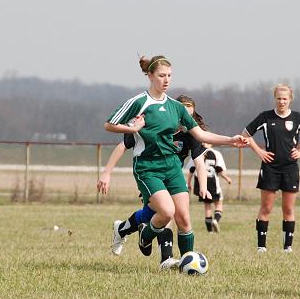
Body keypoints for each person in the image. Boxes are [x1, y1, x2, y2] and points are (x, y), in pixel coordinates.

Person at [104, 55, 247, 270]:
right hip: (147, 167)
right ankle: (145, 234)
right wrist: (132, 129)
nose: (166, 80)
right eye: (162, 75)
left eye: (169, 75)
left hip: (171, 167)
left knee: (185, 219)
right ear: (150, 76)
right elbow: (109, 124)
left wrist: (230, 140)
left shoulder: (176, 107)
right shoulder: (139, 102)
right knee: (167, 212)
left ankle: (187, 264)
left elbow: (200, 134)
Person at [98, 95, 210, 257]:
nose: (186, 120)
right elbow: (122, 146)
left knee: (160, 216)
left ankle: (122, 229)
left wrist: (204, 187)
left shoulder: (189, 134)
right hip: (151, 175)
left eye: (190, 116)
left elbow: (199, 162)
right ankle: (167, 260)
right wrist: (106, 172)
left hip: (173, 178)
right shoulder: (153, 124)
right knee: (166, 216)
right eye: (183, 115)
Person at [242, 84, 300, 253]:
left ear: (290, 99)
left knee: (288, 209)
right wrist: (260, 152)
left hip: (290, 169)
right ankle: (261, 246)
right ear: (274, 99)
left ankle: (287, 247)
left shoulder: (298, 118)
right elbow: (245, 134)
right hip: (270, 168)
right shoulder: (265, 117)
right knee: (266, 208)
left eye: (285, 99)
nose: (281, 102)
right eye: (279, 98)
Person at [186, 143, 232, 232]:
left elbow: (191, 170)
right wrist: (227, 179)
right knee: (218, 204)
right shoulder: (216, 153)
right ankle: (215, 220)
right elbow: (220, 171)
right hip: (213, 183)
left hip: (200, 184)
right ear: (210, 143)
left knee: (207, 207)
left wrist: (188, 183)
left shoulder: (196, 153)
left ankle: (209, 231)